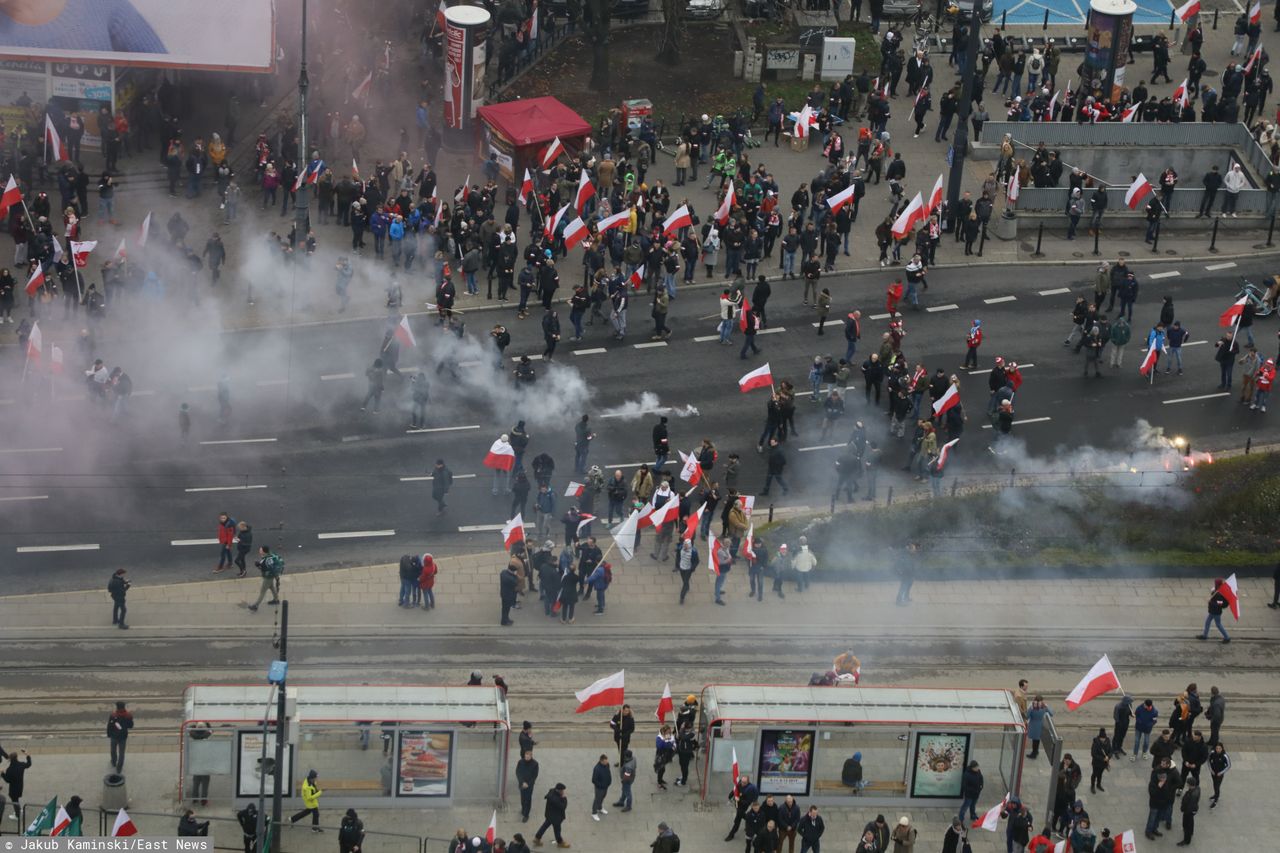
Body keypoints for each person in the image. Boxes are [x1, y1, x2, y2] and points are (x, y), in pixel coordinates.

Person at [533, 782, 570, 848]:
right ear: (559, 790)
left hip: (549, 814)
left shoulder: (552, 791)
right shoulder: (555, 799)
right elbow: (563, 807)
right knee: (557, 830)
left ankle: (537, 838)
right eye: (562, 790)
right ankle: (560, 842)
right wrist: (564, 798)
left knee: (544, 826)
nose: (563, 792)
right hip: (555, 817)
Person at [248, 546, 284, 612]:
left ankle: (255, 606)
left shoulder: (266, 560)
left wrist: (258, 565)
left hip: (268, 577)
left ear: (264, 551)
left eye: (260, 550)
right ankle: (276, 600)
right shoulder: (270, 555)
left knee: (262, 591)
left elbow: (265, 569)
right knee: (272, 587)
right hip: (271, 576)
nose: (259, 551)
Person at [1198, 577, 1231, 642]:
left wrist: (1210, 602)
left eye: (1215, 583)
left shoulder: (1219, 594)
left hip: (1216, 612)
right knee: (1208, 622)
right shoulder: (1217, 590)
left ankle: (1227, 638)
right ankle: (1205, 635)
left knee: (1218, 625)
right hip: (1213, 611)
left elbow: (1220, 603)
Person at [107, 701, 133, 772]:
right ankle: (119, 768)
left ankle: (113, 762)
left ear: (117, 707)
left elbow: (109, 726)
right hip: (123, 737)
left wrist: (109, 734)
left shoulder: (113, 715)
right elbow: (131, 726)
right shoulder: (128, 715)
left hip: (114, 736)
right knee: (121, 752)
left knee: (113, 751)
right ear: (124, 707)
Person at [1207, 742, 1230, 807]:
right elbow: (1208, 761)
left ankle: (1216, 799)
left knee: (1217, 786)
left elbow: (1229, 765)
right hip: (1213, 773)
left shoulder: (1225, 756)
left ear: (1222, 748)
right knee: (1214, 784)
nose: (1218, 750)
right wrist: (1211, 770)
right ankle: (1215, 795)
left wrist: (1221, 773)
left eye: (1219, 748)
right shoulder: (1212, 753)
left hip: (1220, 774)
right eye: (1217, 748)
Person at [1089, 728, 1111, 793]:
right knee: (1094, 774)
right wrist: (1103, 759)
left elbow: (1110, 751)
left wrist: (1108, 757)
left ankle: (1098, 785)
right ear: (1100, 737)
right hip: (1096, 763)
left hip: (1104, 763)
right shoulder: (1096, 743)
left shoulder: (1108, 741)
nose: (1103, 740)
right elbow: (1093, 754)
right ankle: (1092, 786)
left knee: (1100, 774)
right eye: (1102, 738)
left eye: (1104, 738)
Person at [590, 754, 611, 821]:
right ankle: (594, 813)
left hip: (606, 786)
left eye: (607, 761)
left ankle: (600, 808)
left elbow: (608, 773)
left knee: (602, 797)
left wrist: (609, 782)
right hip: (599, 788)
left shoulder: (607, 765)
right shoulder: (597, 769)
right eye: (605, 761)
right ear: (601, 761)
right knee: (597, 799)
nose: (607, 762)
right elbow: (594, 780)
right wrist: (601, 785)